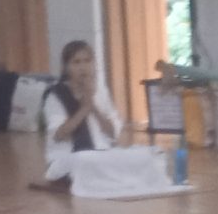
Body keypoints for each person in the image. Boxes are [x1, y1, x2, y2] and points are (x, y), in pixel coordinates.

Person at [36, 40, 177, 198]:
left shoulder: (99, 90)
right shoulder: (55, 95)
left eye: (87, 61)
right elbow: (59, 135)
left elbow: (112, 133)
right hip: (68, 158)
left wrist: (93, 107)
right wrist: (84, 108)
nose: (83, 67)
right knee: (85, 159)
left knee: (148, 154)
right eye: (76, 62)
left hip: (101, 154)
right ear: (66, 67)